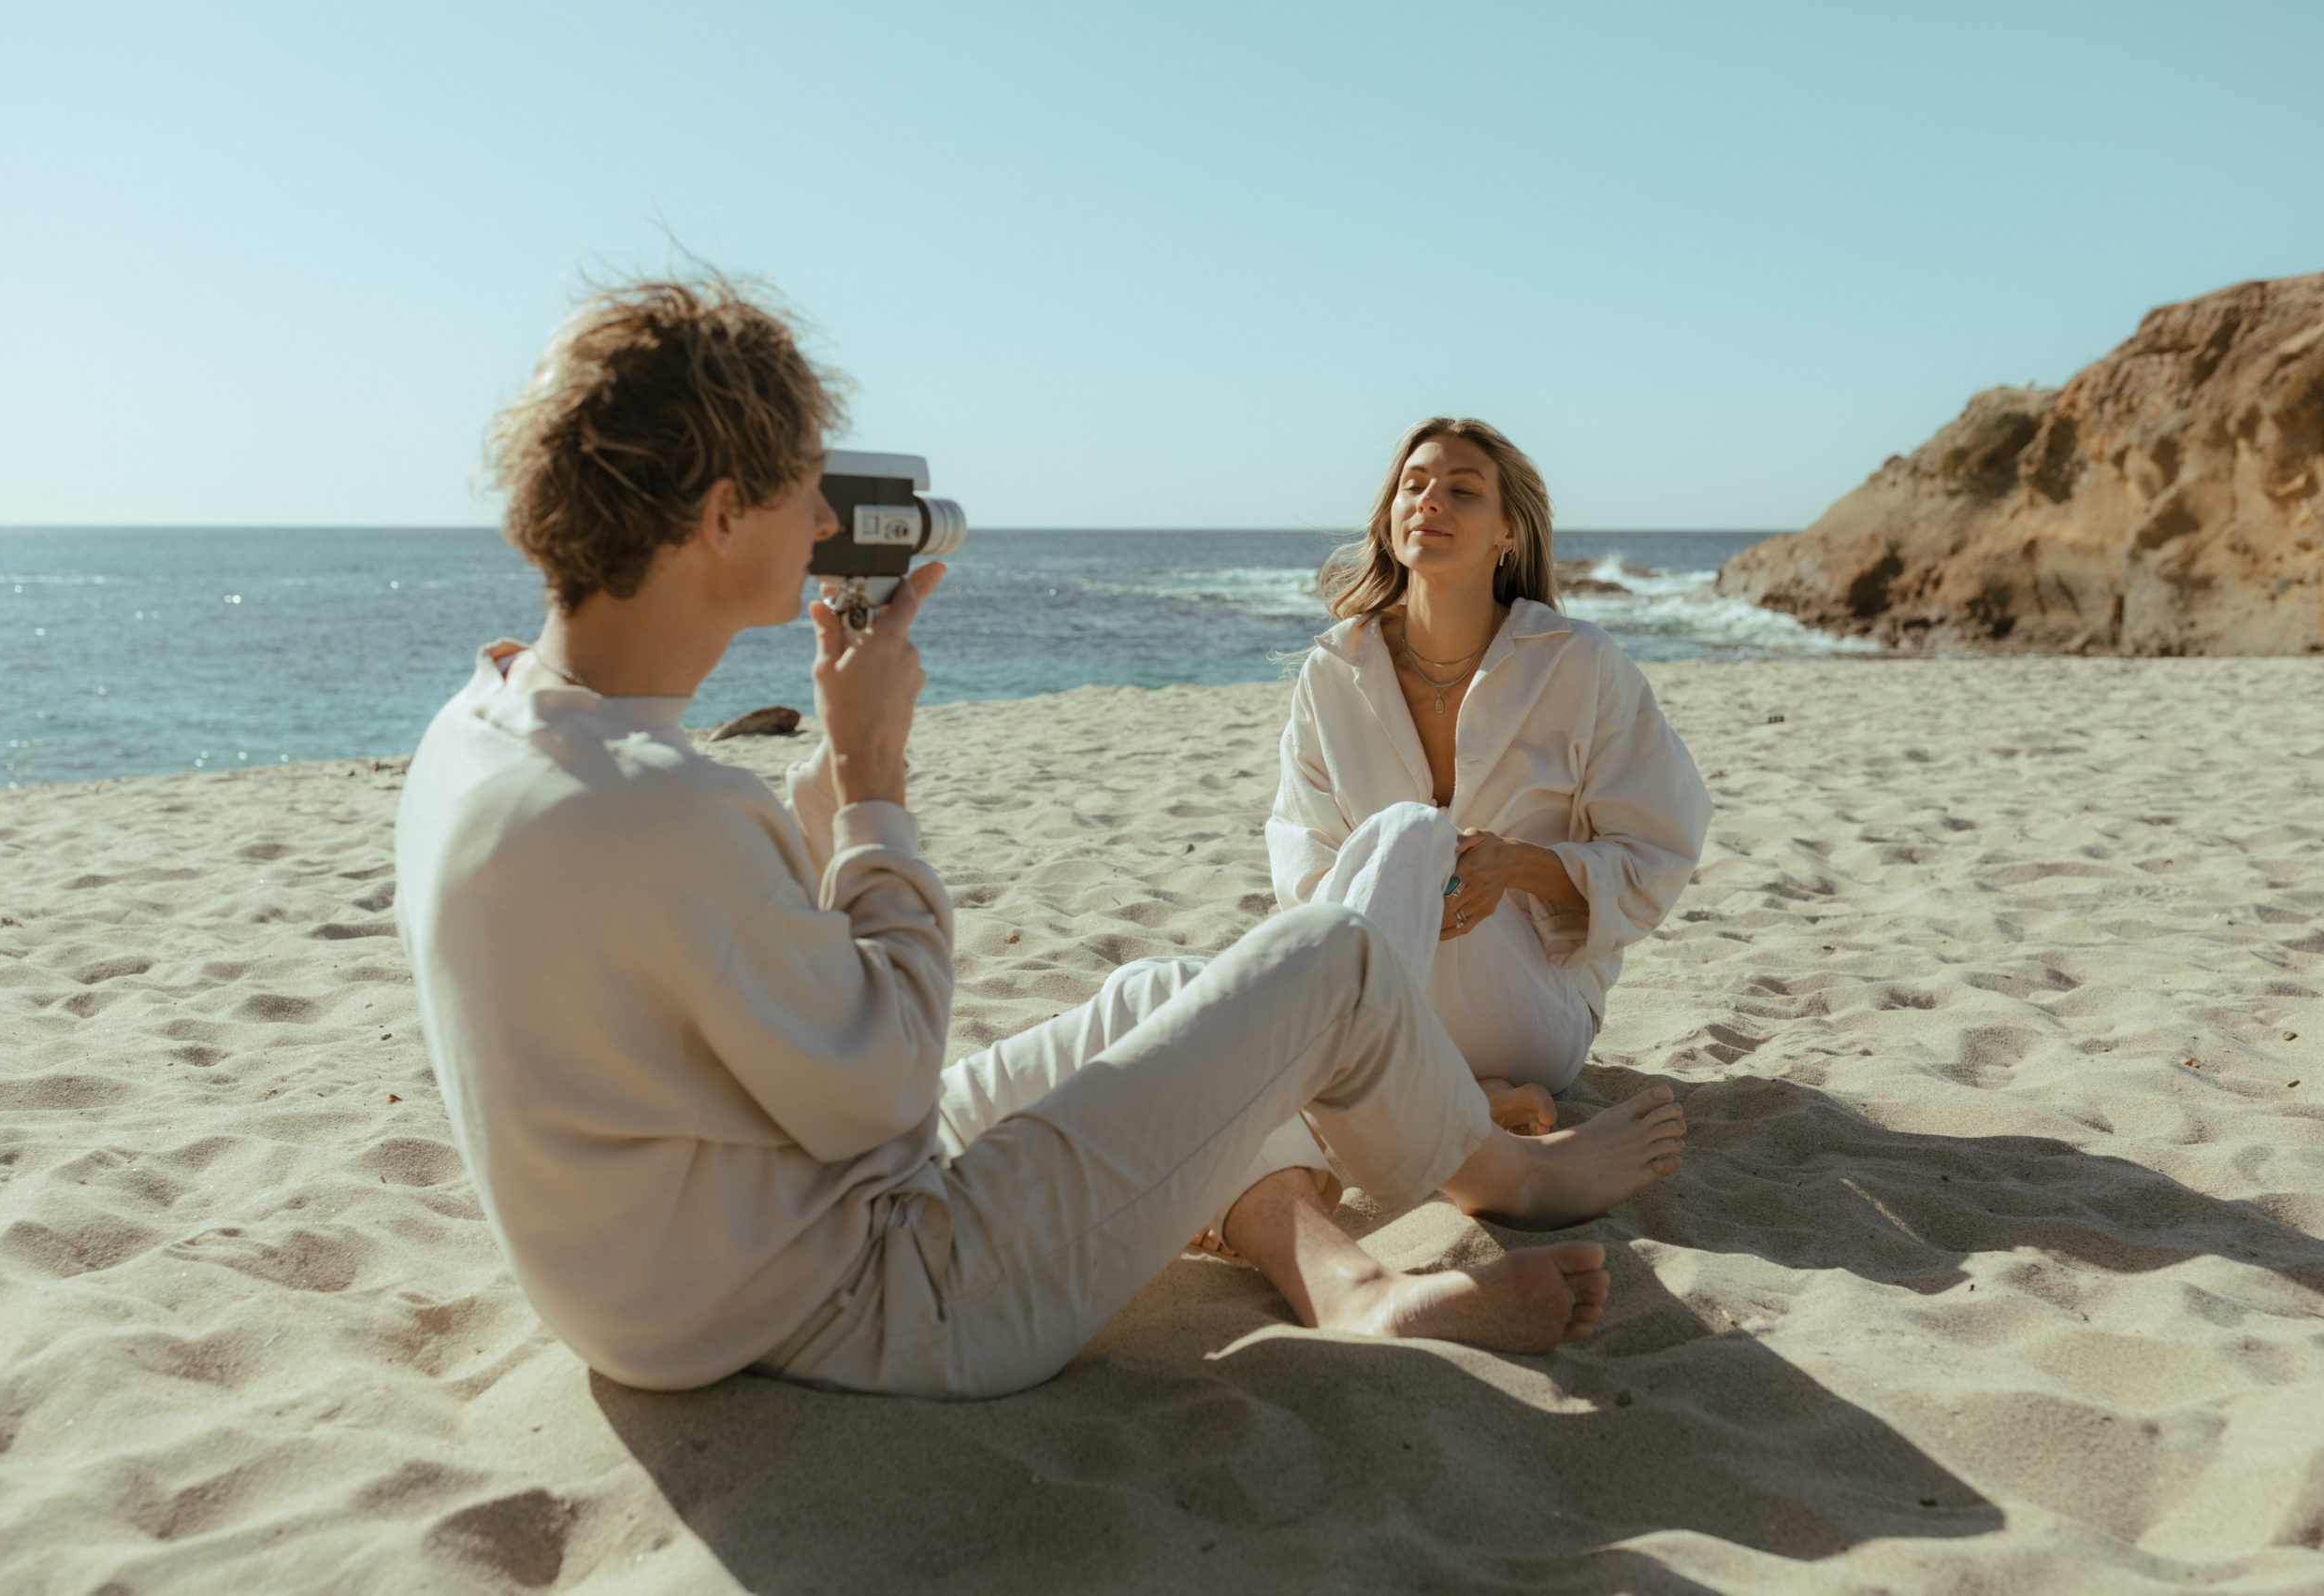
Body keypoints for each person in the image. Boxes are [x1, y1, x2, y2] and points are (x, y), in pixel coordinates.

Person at [394, 280, 1671, 1401]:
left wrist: (831, 771)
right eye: (806, 478)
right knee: (1331, 961)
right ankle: (1507, 1171)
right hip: (872, 1285)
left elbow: (707, 955)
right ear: (725, 514)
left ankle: (1346, 1267)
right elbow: (890, 1086)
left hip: (724, 1231)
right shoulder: (666, 811)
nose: (824, 509)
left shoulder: (487, 722)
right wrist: (877, 781)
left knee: (1167, 997)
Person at [1218, 417, 1710, 1234]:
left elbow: (1660, 846)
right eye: (1413, 485)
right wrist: (1403, 895)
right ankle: (1474, 1109)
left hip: (1529, 1004)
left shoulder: (1580, 664)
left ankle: (1324, 1118)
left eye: (1461, 489)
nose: (1430, 501)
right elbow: (1303, 860)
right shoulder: (1332, 672)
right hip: (1379, 991)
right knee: (1400, 850)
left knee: (1411, 836)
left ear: (1506, 532)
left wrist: (1517, 867)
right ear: (1388, 517)